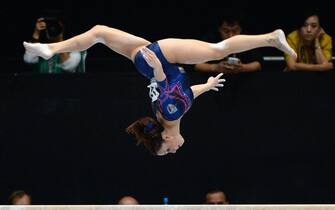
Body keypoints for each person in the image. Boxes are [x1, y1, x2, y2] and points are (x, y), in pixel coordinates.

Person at [23, 24, 297, 156]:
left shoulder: (170, 111)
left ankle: (271, 39)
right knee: (99, 33)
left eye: (167, 151)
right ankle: (51, 49)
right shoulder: (172, 115)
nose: (174, 151)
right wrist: (208, 85)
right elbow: (189, 94)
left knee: (218, 49)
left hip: (160, 60)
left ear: (166, 139)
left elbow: (165, 83)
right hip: (148, 62)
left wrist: (157, 67)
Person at [195, 12, 263, 73]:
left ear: (241, 29)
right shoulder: (210, 38)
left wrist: (243, 68)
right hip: (213, 79)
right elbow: (196, 64)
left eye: (235, 31)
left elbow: (259, 63)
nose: (231, 35)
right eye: (226, 31)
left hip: (243, 80)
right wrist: (214, 67)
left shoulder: (247, 39)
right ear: (219, 29)